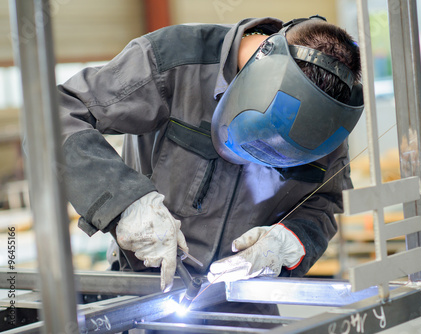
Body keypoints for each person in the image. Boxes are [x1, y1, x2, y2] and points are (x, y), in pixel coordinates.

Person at [58, 15, 363, 300]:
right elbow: (58, 113)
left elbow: (323, 203)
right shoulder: (175, 60)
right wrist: (125, 202)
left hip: (242, 300)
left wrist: (290, 240)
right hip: (145, 292)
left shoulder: (327, 121)